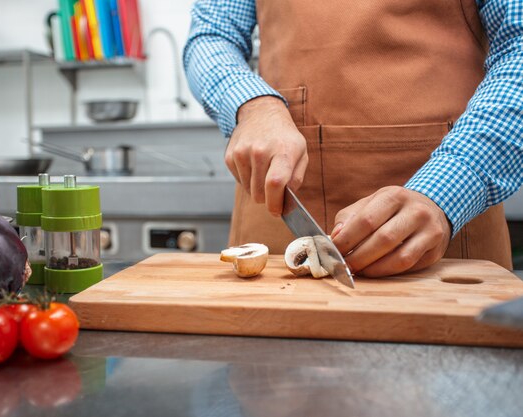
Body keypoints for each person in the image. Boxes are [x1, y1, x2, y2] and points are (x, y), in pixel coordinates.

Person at [183, 0, 523, 276]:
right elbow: (213, 34)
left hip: (450, 229)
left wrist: (447, 189)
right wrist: (252, 104)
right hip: (279, 214)